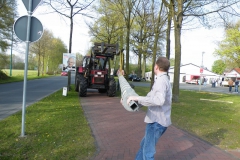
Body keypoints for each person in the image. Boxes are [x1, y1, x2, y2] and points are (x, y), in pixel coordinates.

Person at [127, 57, 172, 160]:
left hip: (156, 123)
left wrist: (136, 98)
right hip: (157, 121)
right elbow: (149, 98)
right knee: (144, 146)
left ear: (156, 66)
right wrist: (132, 103)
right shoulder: (162, 80)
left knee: (148, 153)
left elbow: (159, 100)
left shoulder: (161, 81)